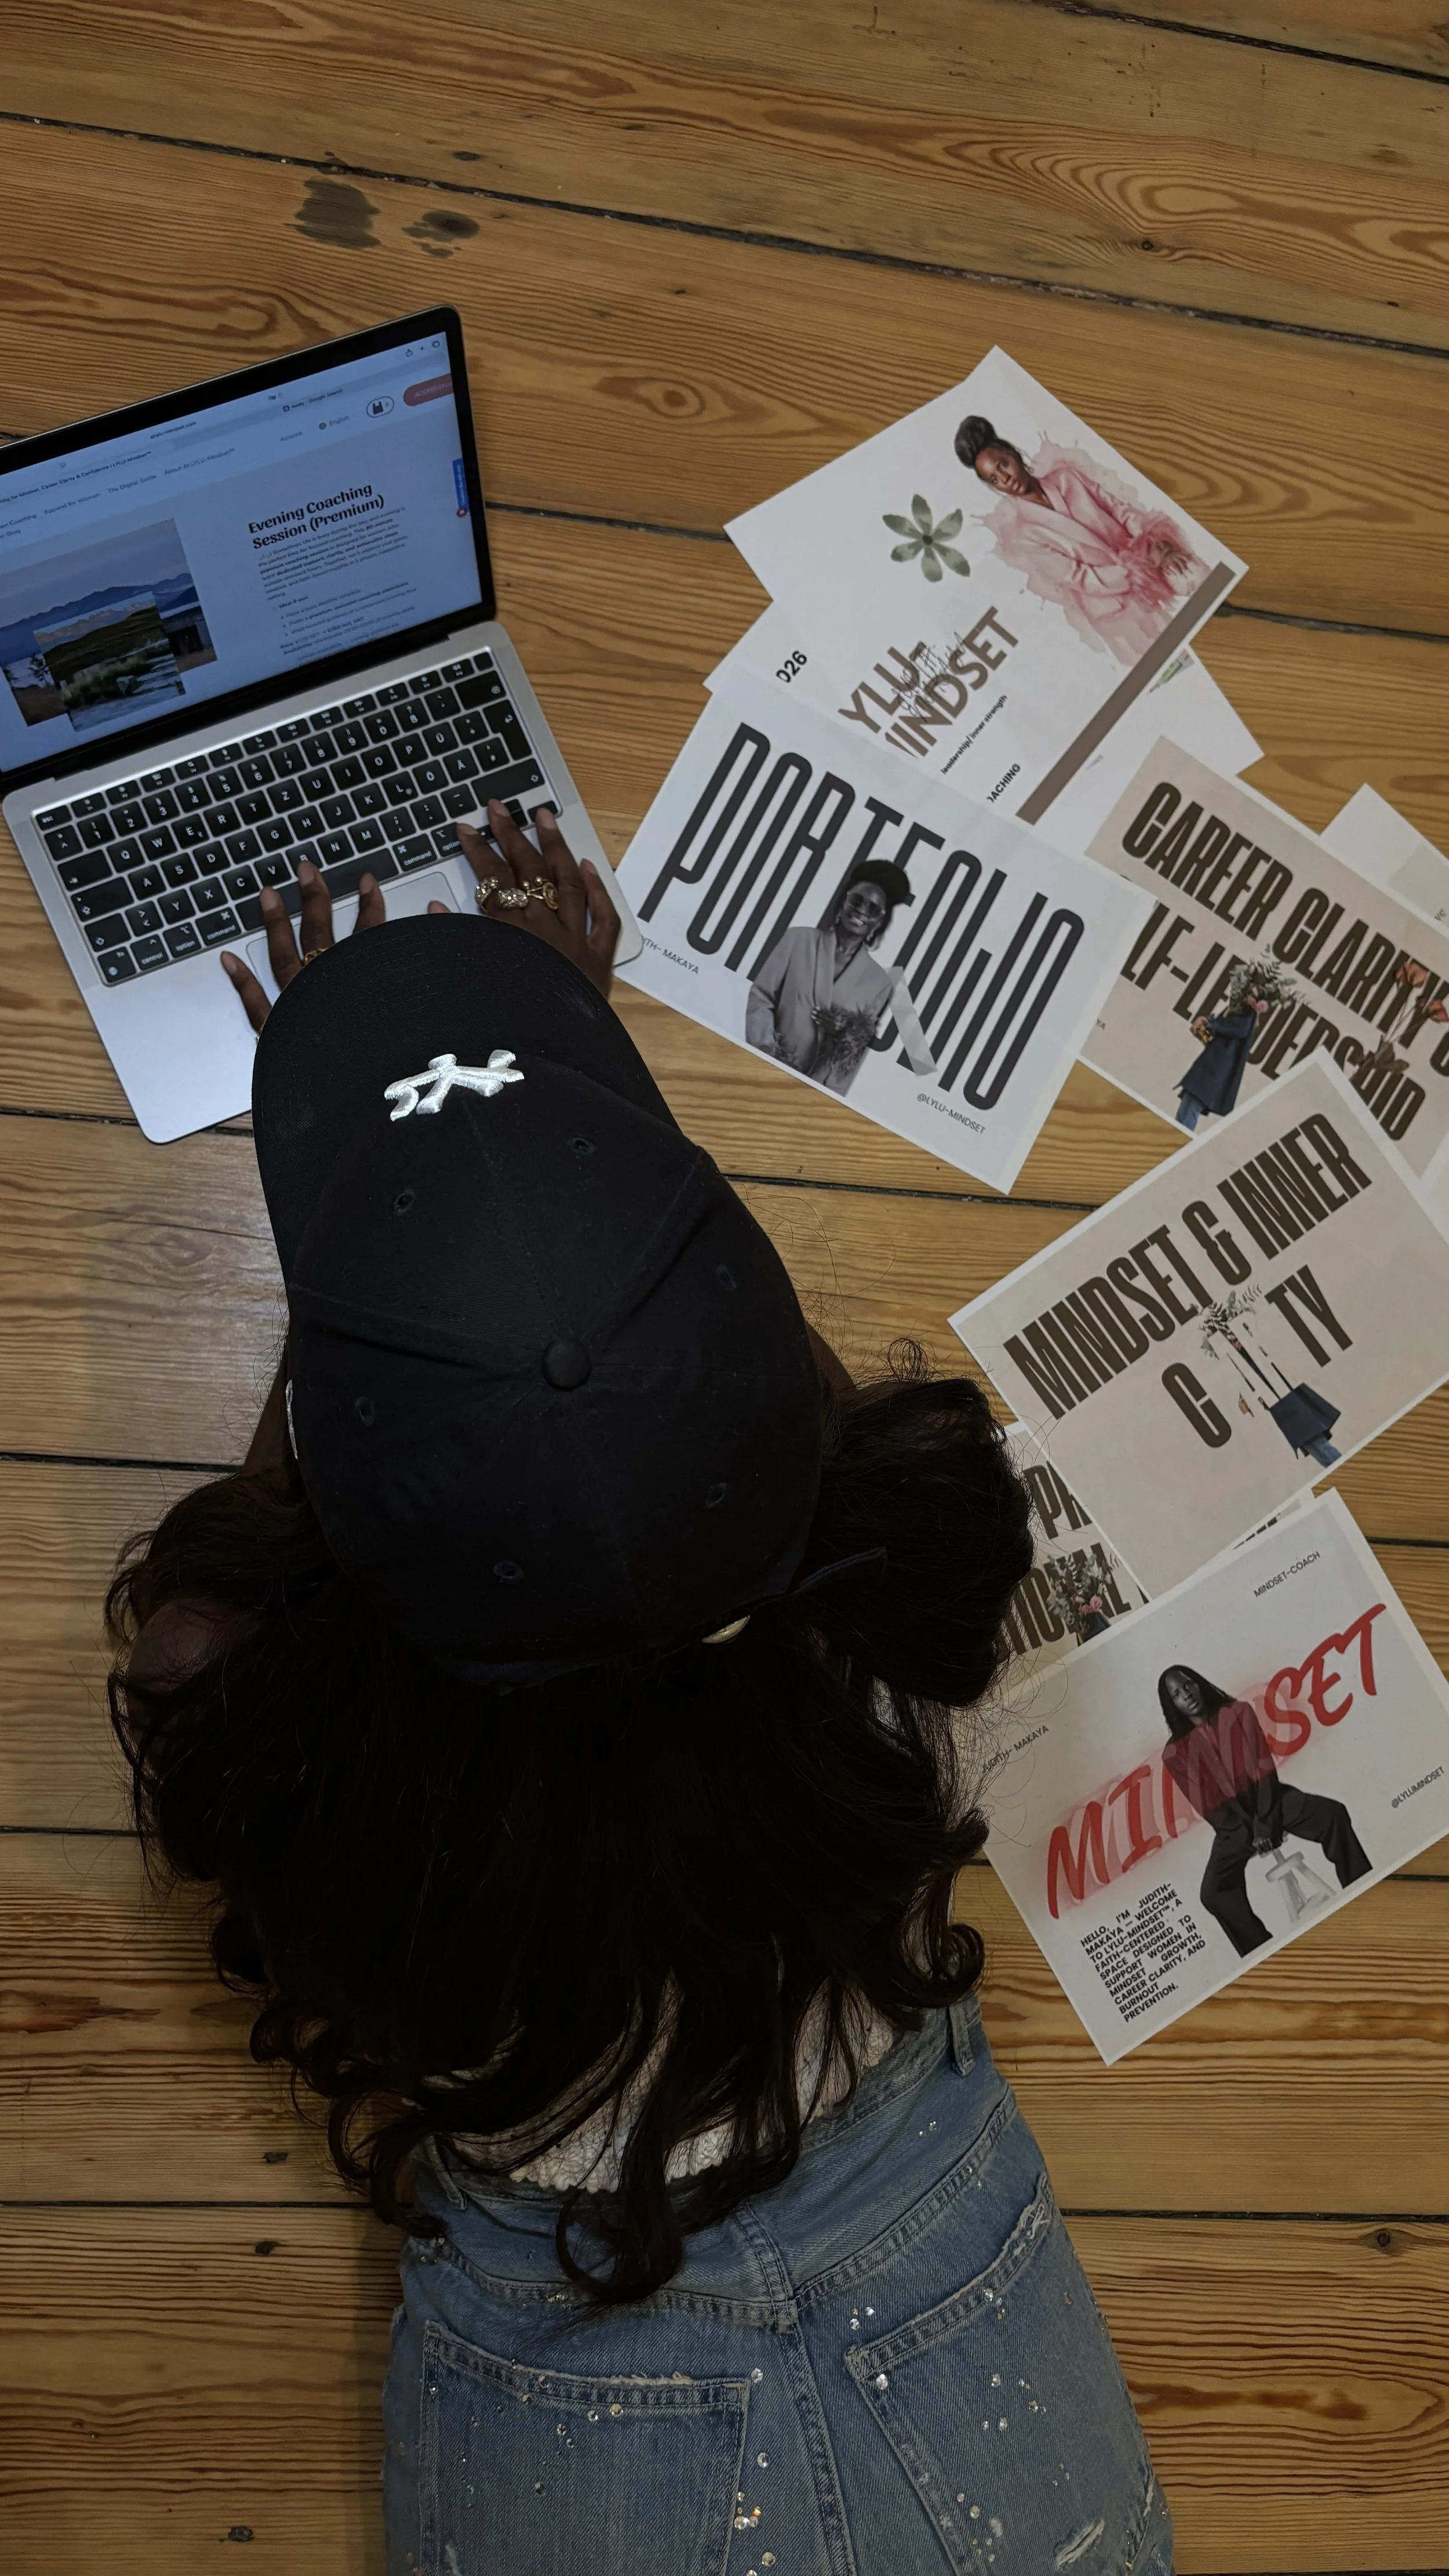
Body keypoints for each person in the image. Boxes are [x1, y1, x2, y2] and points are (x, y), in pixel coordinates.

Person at [108, 801, 1175, 2576]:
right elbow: (728, 1396)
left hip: (572, 2327)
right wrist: (567, 1133)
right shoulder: (899, 1608)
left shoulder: (276, 1735)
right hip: (929, 2251)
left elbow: (234, 1594)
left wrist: (411, 1226)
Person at [953, 415, 1206, 665]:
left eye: (1003, 465)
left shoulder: (1066, 478)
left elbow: (1118, 509)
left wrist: (1152, 544)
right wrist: (1139, 569)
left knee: (1200, 588)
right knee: (1177, 667)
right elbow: (1079, 577)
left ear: (1015, 455)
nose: (1005, 479)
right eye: (994, 480)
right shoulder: (1025, 535)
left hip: (1149, 561)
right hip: (1116, 607)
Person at [1158, 1664, 1371, 1956]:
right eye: (1177, 1694)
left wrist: (1265, 1824)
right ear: (1171, 1704)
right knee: (1213, 1893)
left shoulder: (1239, 1712)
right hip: (1232, 1827)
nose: (1186, 1695)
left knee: (1333, 1814)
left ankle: (1364, 1891)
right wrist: (1249, 1833)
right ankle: (1263, 1952)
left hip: (1270, 1801)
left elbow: (1264, 1769)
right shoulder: (1174, 1754)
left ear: (1198, 1683)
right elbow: (1207, 1804)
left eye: (1188, 1685)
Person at [745, 861, 937, 1097]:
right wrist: (766, 1053)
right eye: (857, 901)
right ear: (844, 902)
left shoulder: (879, 983)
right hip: (763, 1069)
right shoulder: (798, 939)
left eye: (873, 910)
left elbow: (853, 1053)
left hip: (807, 1092)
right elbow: (762, 997)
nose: (862, 911)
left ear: (879, 922)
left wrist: (841, 1033)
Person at [1173, 985, 1270, 1131]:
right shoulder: (1239, 1011)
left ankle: (1179, 1148)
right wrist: (1209, 1025)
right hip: (1210, 1068)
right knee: (1187, 1110)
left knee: (1188, 1112)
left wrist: (1211, 1024)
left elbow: (1237, 1029)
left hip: (1212, 1071)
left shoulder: (1246, 1013)